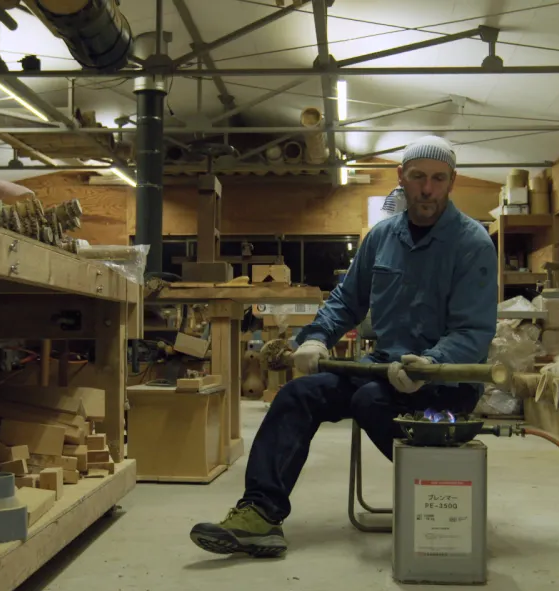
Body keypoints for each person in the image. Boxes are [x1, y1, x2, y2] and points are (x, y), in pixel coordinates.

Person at [189, 136, 498, 558]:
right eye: (418, 177)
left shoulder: (472, 243)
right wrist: (317, 337)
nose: (428, 189)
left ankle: (439, 496)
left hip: (445, 381)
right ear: (401, 177)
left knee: (371, 400)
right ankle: (260, 514)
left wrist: (430, 364)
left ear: (452, 181)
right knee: (298, 394)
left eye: (438, 179)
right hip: (383, 369)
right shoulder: (382, 237)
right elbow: (347, 300)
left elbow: (472, 331)